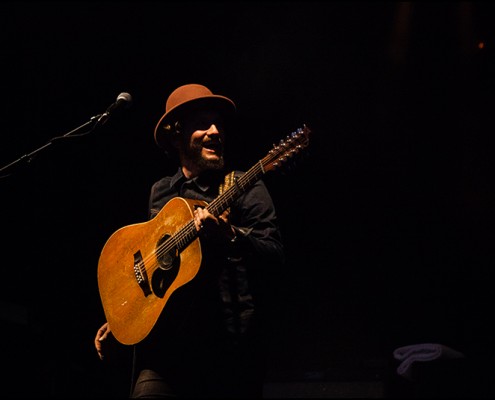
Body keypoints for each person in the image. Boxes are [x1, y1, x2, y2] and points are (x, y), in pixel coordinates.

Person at [94, 83, 285, 398]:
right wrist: (123, 316)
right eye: (202, 124)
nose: (214, 131)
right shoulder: (162, 192)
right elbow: (152, 269)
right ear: (176, 135)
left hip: (228, 349)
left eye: (218, 124)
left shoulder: (245, 186)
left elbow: (274, 254)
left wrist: (230, 236)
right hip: (167, 350)